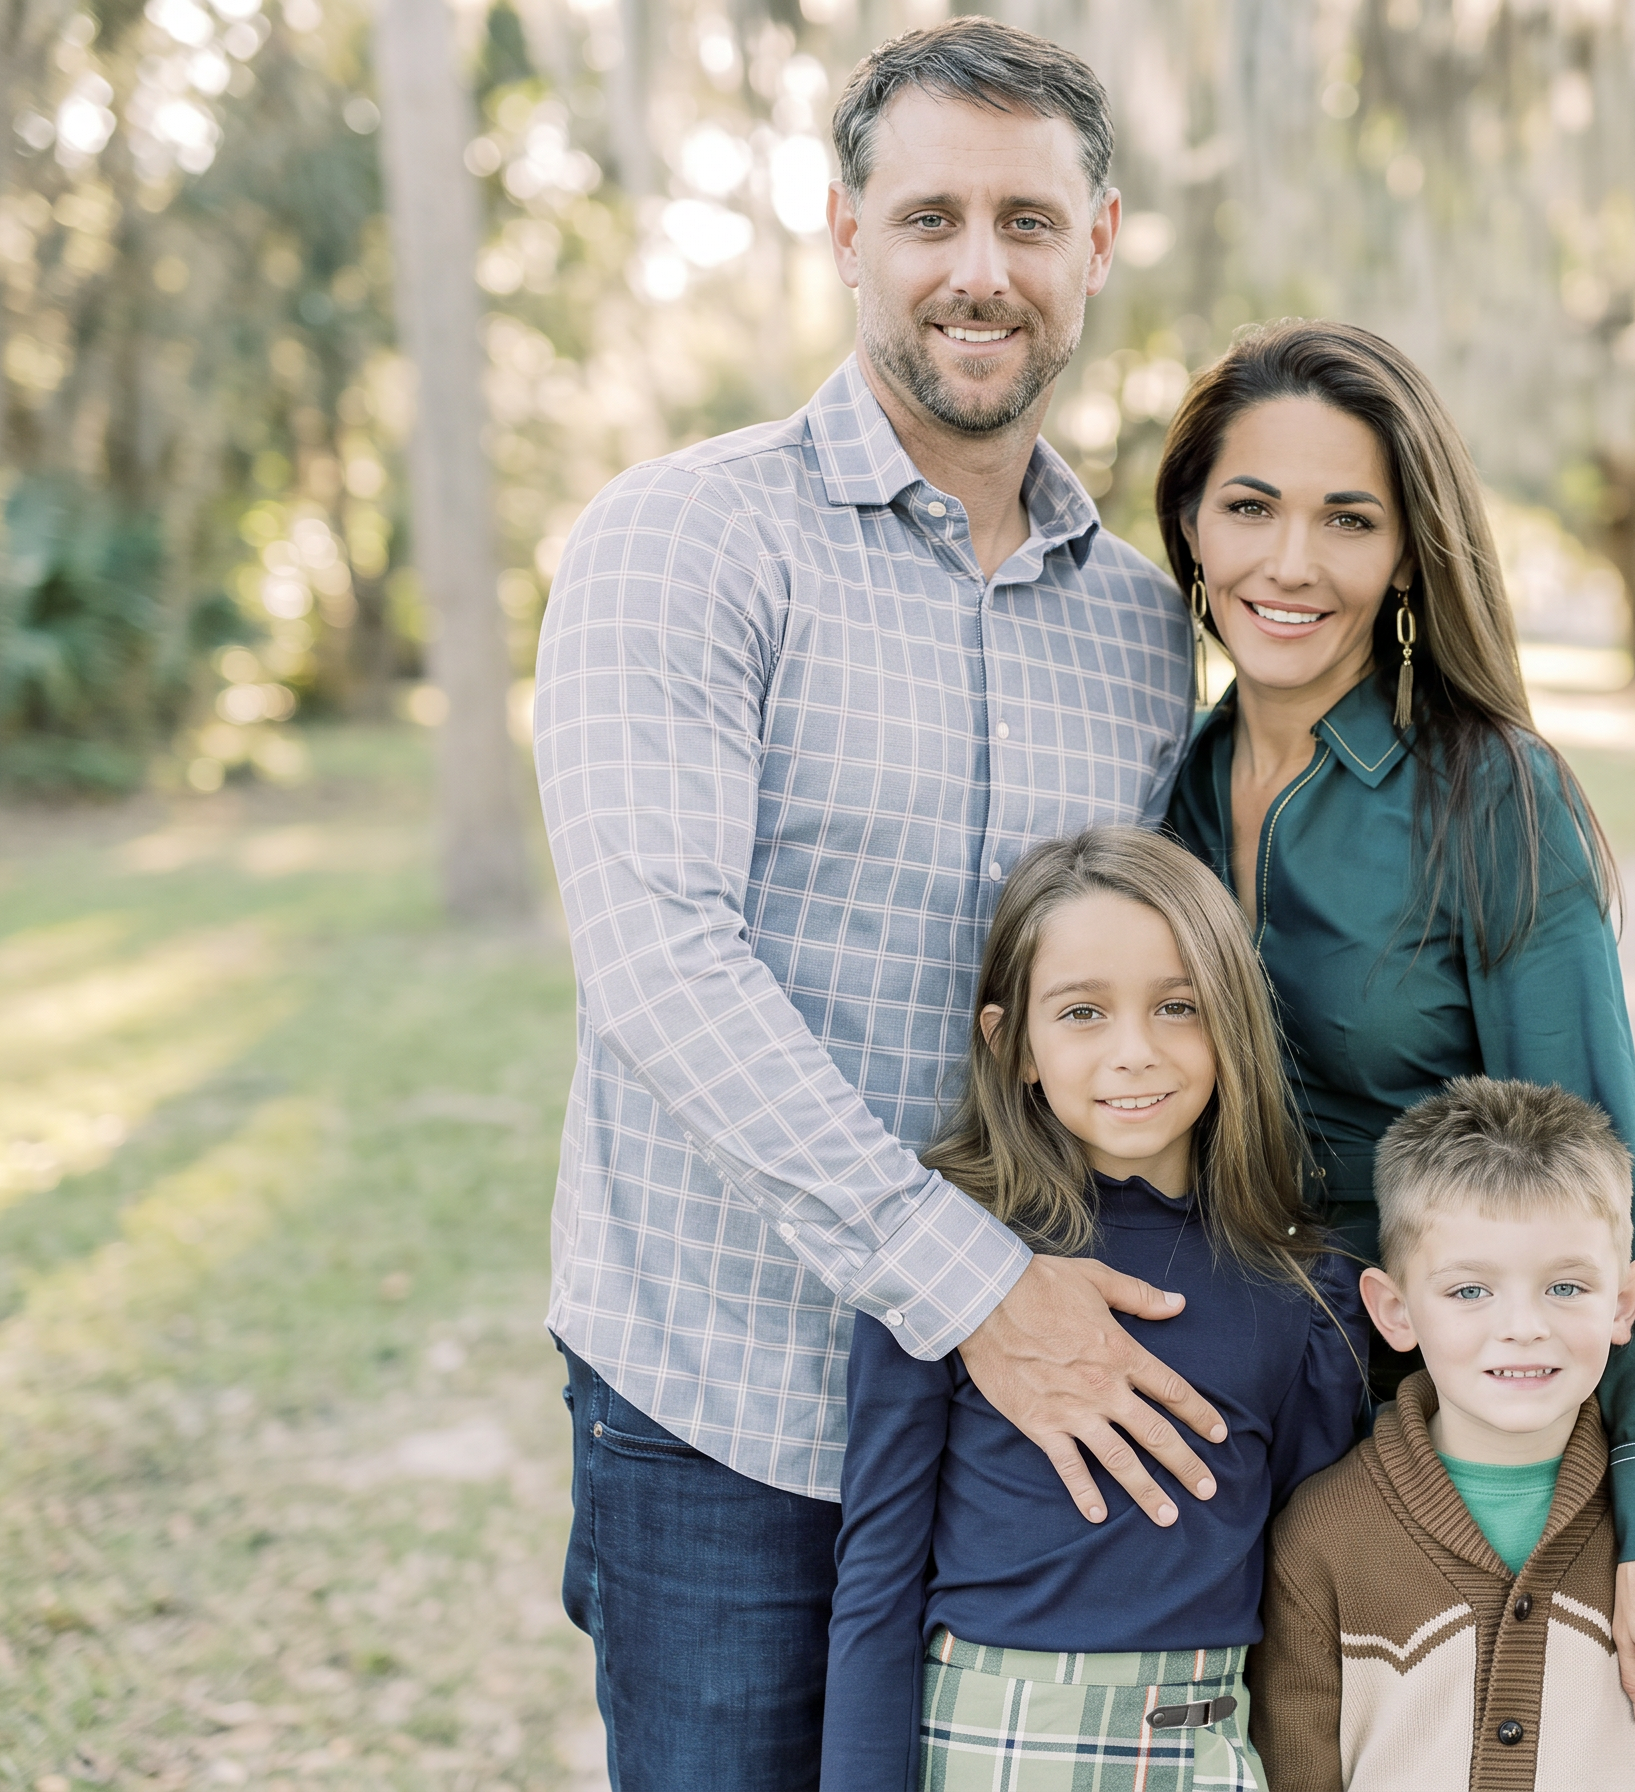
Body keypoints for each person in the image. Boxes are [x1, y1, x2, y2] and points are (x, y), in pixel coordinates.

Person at [532, 22, 1230, 1785]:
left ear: (1097, 244)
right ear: (847, 234)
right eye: (930, 218)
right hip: (733, 1407)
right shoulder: (683, 541)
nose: (978, 271)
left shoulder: (1141, 628)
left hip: (1026, 1421)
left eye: (1026, 220)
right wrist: (972, 1287)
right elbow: (660, 963)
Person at [1159, 319, 1635, 1736]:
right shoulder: (1167, 786)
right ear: (1190, 524)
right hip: (1219, 1425)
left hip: (1444, 1437)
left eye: (1349, 519)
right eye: (1251, 506)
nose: (1291, 562)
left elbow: (1607, 1159)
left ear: (1406, 556)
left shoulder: (1489, 794)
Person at [823, 826, 1369, 1790]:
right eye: (1082, 1013)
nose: (1135, 1054)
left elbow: (1302, 1582)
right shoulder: (951, 1262)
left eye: (1178, 1007)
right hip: (989, 1748)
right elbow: (877, 1579)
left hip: (1206, 1749)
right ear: (1013, 1045)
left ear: (1232, 1020)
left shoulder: (1301, 1287)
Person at [1249, 1078, 1635, 1790]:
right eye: (1469, 1290)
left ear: (1625, 1303)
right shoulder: (1324, 1536)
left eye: (1565, 1287)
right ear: (1394, 1311)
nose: (1523, 1326)